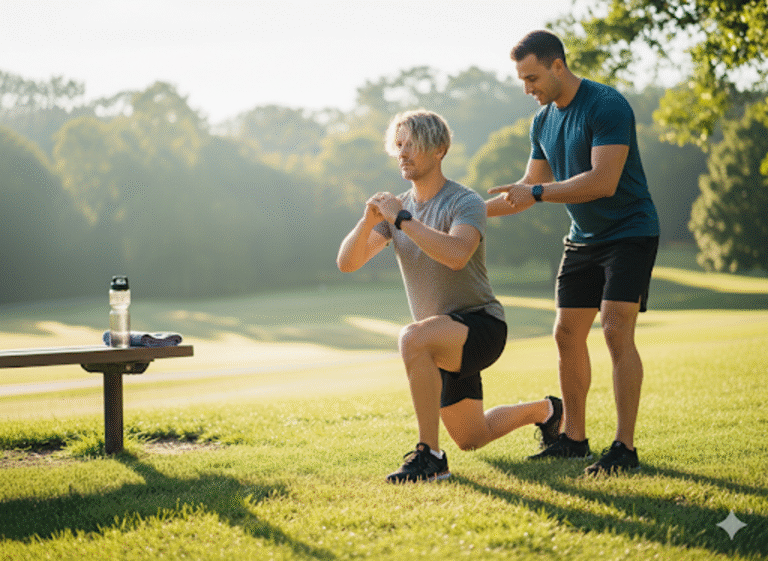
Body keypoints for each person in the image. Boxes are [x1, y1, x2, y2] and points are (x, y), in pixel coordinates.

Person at [337, 109, 563, 483]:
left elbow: (457, 255)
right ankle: (548, 411)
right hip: (440, 339)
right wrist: (366, 223)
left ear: (439, 150)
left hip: (481, 327)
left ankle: (430, 457)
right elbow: (348, 263)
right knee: (472, 438)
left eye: (413, 145)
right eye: (399, 145)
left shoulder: (465, 202)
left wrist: (402, 219)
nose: (403, 154)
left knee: (412, 337)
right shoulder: (398, 211)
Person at [487, 30, 660, 476]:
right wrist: (461, 217)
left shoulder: (607, 105)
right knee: (566, 333)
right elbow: (525, 191)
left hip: (630, 231)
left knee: (617, 327)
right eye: (523, 81)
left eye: (532, 78)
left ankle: (624, 447)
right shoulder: (543, 121)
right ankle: (575, 439)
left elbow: (602, 181)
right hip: (583, 238)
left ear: (557, 65)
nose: (528, 89)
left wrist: (538, 192)